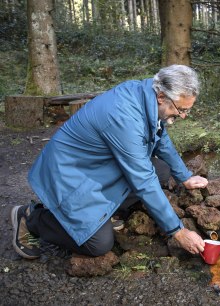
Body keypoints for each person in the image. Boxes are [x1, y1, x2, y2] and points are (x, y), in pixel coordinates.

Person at [11, 64, 208, 259]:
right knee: (98, 244)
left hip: (96, 165)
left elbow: (160, 137)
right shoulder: (124, 116)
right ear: (162, 97)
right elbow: (143, 180)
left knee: (162, 171)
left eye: (186, 110)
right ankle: (31, 218)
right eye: (181, 109)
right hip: (68, 173)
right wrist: (178, 231)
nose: (182, 115)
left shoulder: (146, 94)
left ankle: (105, 212)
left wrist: (184, 176)